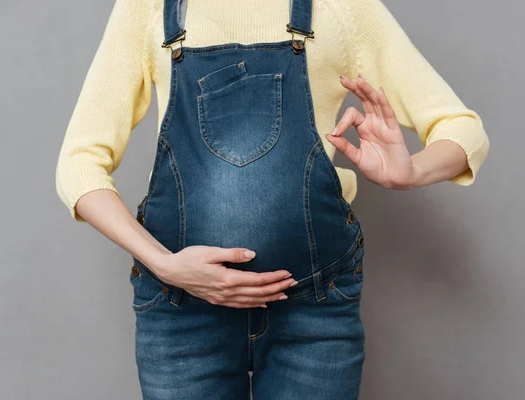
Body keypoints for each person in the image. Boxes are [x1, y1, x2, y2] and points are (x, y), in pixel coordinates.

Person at [55, 0, 489, 398]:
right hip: (181, 312)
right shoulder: (150, 8)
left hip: (314, 313)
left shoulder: (341, 8)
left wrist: (410, 171)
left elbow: (462, 130)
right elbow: (78, 167)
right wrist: (165, 265)